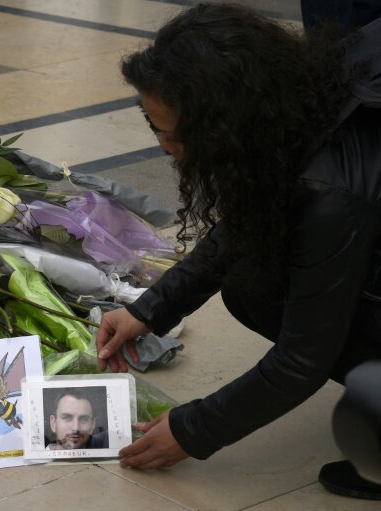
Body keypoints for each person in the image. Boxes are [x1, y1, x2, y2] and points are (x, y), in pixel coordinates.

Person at [95, 3, 381, 500]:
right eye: (152, 126)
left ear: (226, 126)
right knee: (253, 283)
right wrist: (150, 308)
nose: (164, 147)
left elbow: (302, 361)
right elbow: (255, 216)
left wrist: (192, 430)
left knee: (266, 288)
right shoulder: (306, 99)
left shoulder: (332, 192)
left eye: (175, 134)